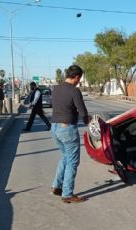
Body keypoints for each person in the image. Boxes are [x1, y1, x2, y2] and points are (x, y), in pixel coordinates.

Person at [50, 65, 90, 204]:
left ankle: (56, 186)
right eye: (80, 78)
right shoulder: (74, 90)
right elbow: (82, 112)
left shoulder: (56, 88)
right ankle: (67, 194)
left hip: (54, 128)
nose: (79, 81)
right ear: (77, 77)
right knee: (73, 161)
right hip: (67, 129)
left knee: (66, 157)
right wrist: (87, 121)